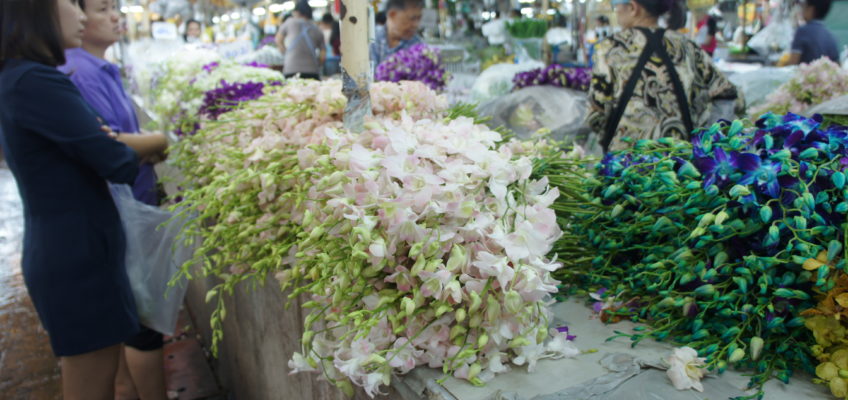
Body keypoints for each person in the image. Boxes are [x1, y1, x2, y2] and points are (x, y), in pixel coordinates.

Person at [0, 0, 167, 399]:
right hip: (76, 254)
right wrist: (155, 141)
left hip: (75, 246)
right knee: (91, 382)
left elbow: (108, 145)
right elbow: (115, 159)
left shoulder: (20, 78)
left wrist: (116, 143)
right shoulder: (37, 82)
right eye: (72, 5)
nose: (79, 15)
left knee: (106, 374)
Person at [58, 0, 169, 398]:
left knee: (126, 328)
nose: (112, 16)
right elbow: (108, 144)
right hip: (119, 211)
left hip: (125, 206)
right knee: (142, 327)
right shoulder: (79, 71)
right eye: (101, 8)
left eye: (113, 8)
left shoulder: (97, 67)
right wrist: (161, 142)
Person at [587, 0, 743, 152]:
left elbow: (596, 113)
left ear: (633, 8)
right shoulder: (686, 46)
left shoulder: (611, 48)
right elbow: (730, 95)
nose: (616, 10)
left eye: (616, 5)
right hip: (681, 164)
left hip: (626, 164)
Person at [275, 0, 325, 80]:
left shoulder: (289, 22)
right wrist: (317, 64)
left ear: (297, 12)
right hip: (312, 71)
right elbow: (323, 55)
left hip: (291, 69)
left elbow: (278, 40)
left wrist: (286, 53)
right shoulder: (317, 28)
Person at [782, 0, 839, 65]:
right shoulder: (831, 35)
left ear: (810, 9)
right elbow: (837, 65)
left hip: (804, 74)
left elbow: (792, 63)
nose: (801, 10)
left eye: (804, 6)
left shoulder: (802, 31)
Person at [371, 0, 423, 67]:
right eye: (412, 18)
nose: (416, 25)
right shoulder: (372, 39)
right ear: (392, 14)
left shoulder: (417, 45)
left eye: (419, 19)